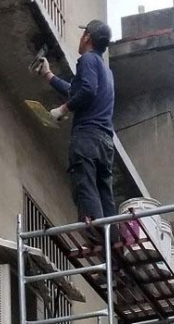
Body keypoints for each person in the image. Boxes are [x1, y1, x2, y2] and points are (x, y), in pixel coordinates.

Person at [33, 20, 116, 229]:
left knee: (85, 186)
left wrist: (63, 110)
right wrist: (49, 75)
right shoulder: (106, 71)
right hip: (105, 142)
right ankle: (112, 240)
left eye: (83, 34)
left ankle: (96, 234)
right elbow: (78, 90)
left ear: (87, 37)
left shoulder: (87, 60)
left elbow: (86, 91)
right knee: (103, 192)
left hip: (86, 137)